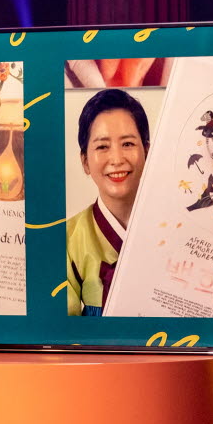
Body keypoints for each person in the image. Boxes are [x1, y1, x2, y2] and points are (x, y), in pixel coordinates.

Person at [66, 88, 150, 316]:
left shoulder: (176, 228)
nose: (116, 159)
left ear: (147, 151)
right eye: (102, 146)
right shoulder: (67, 238)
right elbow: (60, 331)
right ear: (85, 161)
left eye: (128, 144)